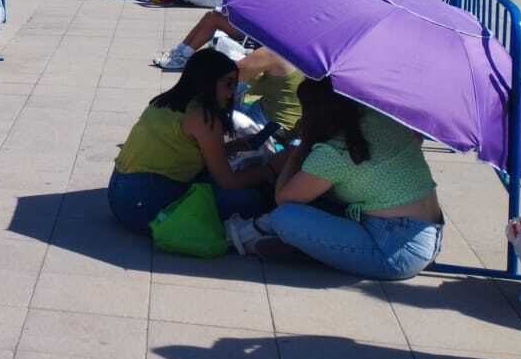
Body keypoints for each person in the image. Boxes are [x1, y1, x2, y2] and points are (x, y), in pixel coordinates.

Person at [231, 77, 443, 279]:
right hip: (425, 234)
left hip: (396, 251)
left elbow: (284, 198)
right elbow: (415, 140)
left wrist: (303, 145)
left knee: (285, 217)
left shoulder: (336, 151)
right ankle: (294, 242)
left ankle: (296, 245)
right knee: (321, 196)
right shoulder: (382, 118)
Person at [108, 49, 278, 233]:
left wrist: (234, 146)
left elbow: (181, 152)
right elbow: (228, 181)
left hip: (119, 194)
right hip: (145, 205)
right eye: (228, 84)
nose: (232, 92)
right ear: (207, 82)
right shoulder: (204, 117)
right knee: (250, 200)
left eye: (235, 84)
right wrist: (268, 172)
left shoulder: (163, 102)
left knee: (217, 182)